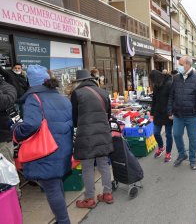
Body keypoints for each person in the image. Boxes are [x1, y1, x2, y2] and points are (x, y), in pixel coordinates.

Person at [12, 65, 73, 224]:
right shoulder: (61, 97)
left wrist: (16, 130)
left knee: (51, 188)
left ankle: (63, 221)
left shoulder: (34, 98)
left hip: (46, 152)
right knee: (57, 184)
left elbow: (31, 125)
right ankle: (63, 218)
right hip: (62, 148)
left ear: (32, 82)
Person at [71, 69, 114, 208]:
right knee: (103, 164)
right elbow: (108, 114)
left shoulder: (77, 93)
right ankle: (107, 194)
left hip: (86, 134)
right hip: (103, 132)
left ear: (79, 82)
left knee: (87, 167)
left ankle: (89, 198)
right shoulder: (103, 92)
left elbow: (74, 118)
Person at [168, 56, 196, 170]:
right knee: (176, 134)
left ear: (188, 64)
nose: (179, 67)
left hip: (192, 115)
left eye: (181, 64)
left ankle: (192, 159)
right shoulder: (176, 78)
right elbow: (171, 96)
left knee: (193, 138)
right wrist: (170, 110)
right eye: (179, 64)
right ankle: (182, 154)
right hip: (178, 115)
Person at [149, 70, 173, 162]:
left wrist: (171, 112)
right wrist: (152, 113)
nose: (152, 82)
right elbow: (154, 100)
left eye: (153, 80)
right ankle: (161, 147)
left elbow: (172, 99)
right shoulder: (156, 86)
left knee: (168, 134)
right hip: (158, 113)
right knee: (156, 132)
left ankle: (168, 153)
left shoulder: (169, 84)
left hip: (167, 113)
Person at [0, 75, 17, 177]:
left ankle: (15, 193)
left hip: (2, 139)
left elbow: (3, 103)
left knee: (7, 170)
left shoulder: (7, 87)